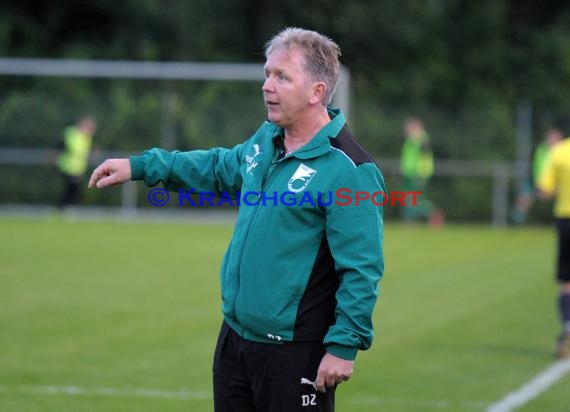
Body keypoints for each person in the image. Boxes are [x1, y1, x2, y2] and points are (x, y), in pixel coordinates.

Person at [88, 28, 385, 411]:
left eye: (282, 77)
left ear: (316, 92)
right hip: (236, 339)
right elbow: (217, 167)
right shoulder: (267, 139)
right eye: (267, 73)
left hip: (295, 351)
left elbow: (361, 268)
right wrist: (141, 166)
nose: (267, 85)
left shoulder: (350, 169)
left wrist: (344, 345)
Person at [537, 130, 570, 359]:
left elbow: (545, 190)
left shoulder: (558, 151)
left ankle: (568, 325)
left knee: (567, 282)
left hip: (566, 219)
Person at [511, 127, 563, 225]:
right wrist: (541, 185)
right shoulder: (542, 150)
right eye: (551, 138)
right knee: (524, 198)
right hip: (539, 181)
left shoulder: (562, 152)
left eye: (555, 138)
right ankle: (516, 221)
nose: (552, 141)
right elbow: (540, 168)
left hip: (556, 183)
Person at [399, 117, 444, 226]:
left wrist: (421, 175)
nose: (406, 130)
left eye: (408, 128)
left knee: (414, 199)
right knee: (408, 198)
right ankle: (410, 222)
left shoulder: (421, 141)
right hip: (410, 174)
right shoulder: (412, 141)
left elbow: (425, 159)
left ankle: (433, 212)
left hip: (417, 175)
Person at [56, 116, 97, 209]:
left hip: (78, 168)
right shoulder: (71, 133)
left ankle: (64, 206)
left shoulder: (87, 137)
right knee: (71, 188)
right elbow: (72, 148)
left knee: (75, 189)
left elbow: (85, 151)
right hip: (68, 166)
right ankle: (63, 206)